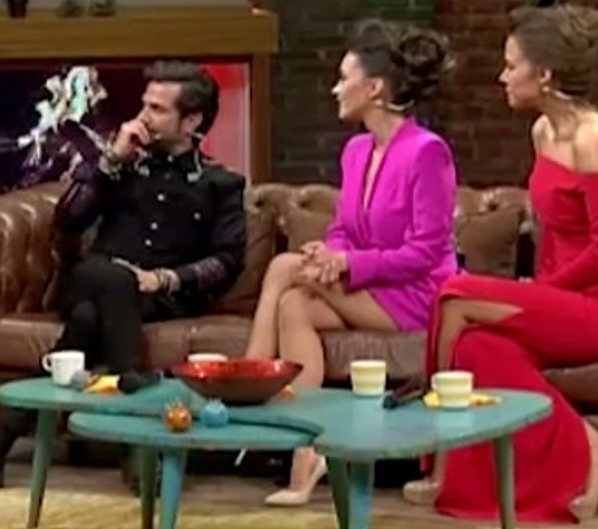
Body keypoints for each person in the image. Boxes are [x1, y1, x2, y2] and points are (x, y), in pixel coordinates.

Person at [0, 60, 247, 491]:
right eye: (144, 104)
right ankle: (133, 434)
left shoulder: (221, 184)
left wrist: (164, 279)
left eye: (157, 109)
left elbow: (226, 261)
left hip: (156, 298)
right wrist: (110, 161)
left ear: (191, 121)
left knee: (87, 321)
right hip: (90, 277)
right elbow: (68, 220)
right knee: (112, 279)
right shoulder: (119, 165)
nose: (143, 116)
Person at [244, 19, 458, 507]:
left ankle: (246, 384)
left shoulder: (428, 153)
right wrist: (329, 254)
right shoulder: (357, 150)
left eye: (344, 78)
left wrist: (346, 263)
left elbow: (425, 252)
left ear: (375, 88)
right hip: (369, 285)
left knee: (283, 269)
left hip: (416, 294)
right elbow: (344, 226)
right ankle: (306, 456)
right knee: (294, 304)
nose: (335, 89)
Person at [402, 4, 598, 523]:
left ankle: (439, 457)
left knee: (454, 294)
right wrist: (540, 287)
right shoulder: (542, 132)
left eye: (511, 65)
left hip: (590, 305)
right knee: (475, 344)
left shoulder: (592, 138)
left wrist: (546, 289)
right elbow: (555, 231)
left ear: (546, 73)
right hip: (559, 296)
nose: (501, 76)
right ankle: (585, 442)